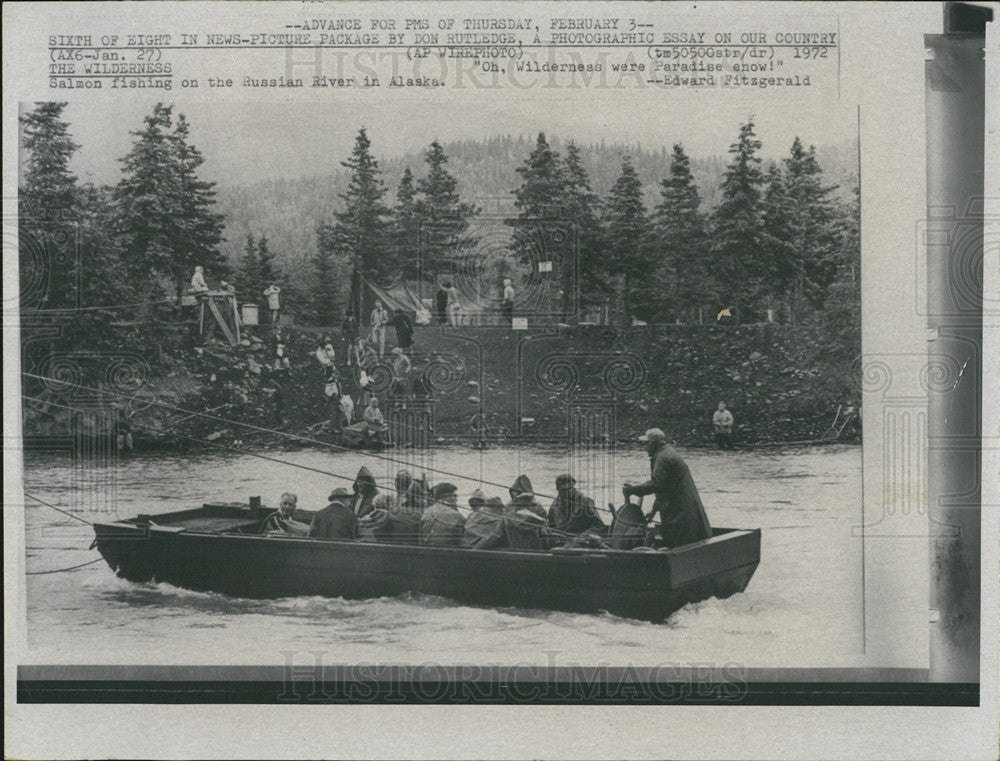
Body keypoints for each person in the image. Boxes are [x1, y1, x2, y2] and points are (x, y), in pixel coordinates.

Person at [622, 428, 712, 548]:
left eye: (646, 444)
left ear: (653, 443)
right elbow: (665, 487)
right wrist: (654, 510)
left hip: (679, 513)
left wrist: (633, 490)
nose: (645, 448)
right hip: (686, 510)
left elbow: (656, 484)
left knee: (677, 544)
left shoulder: (662, 458)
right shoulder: (667, 453)